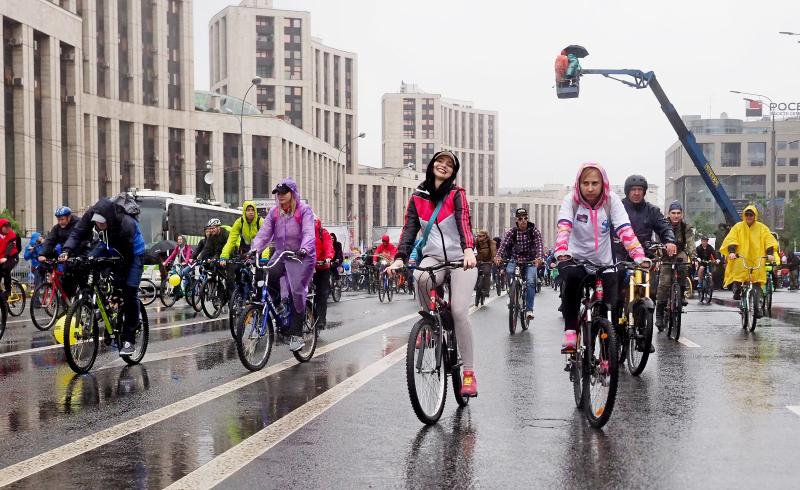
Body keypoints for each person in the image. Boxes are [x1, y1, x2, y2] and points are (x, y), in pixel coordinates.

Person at [389, 150, 479, 397]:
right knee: (420, 277)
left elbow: (464, 223)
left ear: (453, 171)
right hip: (435, 257)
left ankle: (469, 373)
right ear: (431, 165)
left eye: (449, 164)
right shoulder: (417, 196)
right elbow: (409, 230)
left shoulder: (456, 194)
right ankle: (430, 323)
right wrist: (399, 258)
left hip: (462, 259)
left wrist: (469, 250)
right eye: (440, 161)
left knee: (460, 311)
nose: (443, 166)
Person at [555, 163, 649, 351]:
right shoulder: (571, 201)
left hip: (604, 262)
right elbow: (564, 226)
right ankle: (571, 331)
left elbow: (625, 229)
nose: (590, 188)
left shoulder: (611, 200)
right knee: (572, 284)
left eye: (595, 183)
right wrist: (562, 250)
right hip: (575, 259)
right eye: (585, 183)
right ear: (579, 184)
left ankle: (608, 348)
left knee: (611, 305)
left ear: (603, 184)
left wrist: (639, 256)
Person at [60, 197, 146, 356]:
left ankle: (129, 339)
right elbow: (78, 232)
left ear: (110, 219)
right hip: (108, 245)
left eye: (102, 222)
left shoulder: (126, 225)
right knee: (85, 262)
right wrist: (67, 251)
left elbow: (124, 260)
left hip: (132, 254)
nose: (98, 224)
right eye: (96, 222)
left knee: (128, 291)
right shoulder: (93, 214)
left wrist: (118, 282)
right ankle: (99, 302)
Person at [251, 178, 316, 352]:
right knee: (269, 274)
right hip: (282, 254)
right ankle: (279, 306)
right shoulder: (274, 213)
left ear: (292, 193)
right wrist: (254, 249)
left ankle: (297, 335)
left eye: (284, 193)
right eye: (278, 193)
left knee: (296, 291)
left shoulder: (304, 211)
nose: (280, 196)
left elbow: (309, 232)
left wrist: (304, 248)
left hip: (302, 256)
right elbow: (264, 234)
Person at [721, 205, 778, 311]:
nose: (748, 217)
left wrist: (770, 253)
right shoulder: (738, 227)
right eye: (746, 214)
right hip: (741, 257)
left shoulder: (762, 228)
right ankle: (737, 289)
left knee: (756, 282)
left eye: (751, 215)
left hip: (757, 258)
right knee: (739, 275)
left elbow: (769, 241)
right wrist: (732, 252)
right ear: (744, 215)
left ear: (755, 215)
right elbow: (732, 239)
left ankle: (757, 308)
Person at [494, 208, 543, 321]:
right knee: (509, 271)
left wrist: (539, 257)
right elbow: (503, 245)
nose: (523, 221)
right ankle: (512, 294)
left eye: (525, 218)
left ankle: (529, 310)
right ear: (517, 220)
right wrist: (498, 256)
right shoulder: (512, 232)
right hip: (515, 260)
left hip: (530, 261)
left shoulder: (534, 231)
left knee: (531, 282)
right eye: (520, 218)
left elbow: (539, 245)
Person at [655, 201, 693, 330]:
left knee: (683, 265)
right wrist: (660, 254)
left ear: (682, 214)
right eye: (673, 213)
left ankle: (681, 294)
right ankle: (659, 313)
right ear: (669, 214)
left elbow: (690, 242)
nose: (676, 216)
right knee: (664, 282)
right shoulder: (662, 224)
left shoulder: (685, 227)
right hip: (665, 254)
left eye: (678, 213)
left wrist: (693, 256)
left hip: (679, 252)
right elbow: (658, 241)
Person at [219, 201, 264, 294]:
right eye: (248, 210)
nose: (250, 212)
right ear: (244, 211)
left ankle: (259, 297)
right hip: (245, 249)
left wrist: (265, 257)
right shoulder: (239, 222)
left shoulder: (261, 221)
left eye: (252, 210)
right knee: (239, 271)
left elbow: (266, 240)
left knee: (260, 275)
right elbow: (231, 241)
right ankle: (243, 293)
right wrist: (224, 256)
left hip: (260, 249)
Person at [39, 206, 84, 295]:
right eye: (58, 220)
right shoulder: (57, 228)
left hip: (79, 251)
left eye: (62, 219)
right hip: (65, 253)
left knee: (76, 275)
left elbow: (78, 240)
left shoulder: (78, 224)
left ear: (69, 217)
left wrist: (69, 253)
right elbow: (50, 241)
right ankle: (66, 299)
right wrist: (43, 254)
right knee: (46, 266)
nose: (60, 222)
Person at [312, 216, 334, 329]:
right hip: (308, 268)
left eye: (314, 221)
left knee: (322, 294)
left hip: (322, 267)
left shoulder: (323, 232)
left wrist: (328, 257)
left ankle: (321, 319)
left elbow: (328, 246)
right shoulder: (304, 232)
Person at [0, 219, 21, 300]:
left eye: (9, 227)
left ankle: (8, 291)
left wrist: (5, 257)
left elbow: (10, 246)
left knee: (6, 269)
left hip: (12, 256)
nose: (8, 229)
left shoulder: (12, 234)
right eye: (5, 227)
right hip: (1, 257)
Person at [474, 230, 496, 298]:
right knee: (474, 272)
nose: (479, 237)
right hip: (478, 260)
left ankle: (487, 291)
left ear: (485, 236)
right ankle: (476, 286)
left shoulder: (491, 242)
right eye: (478, 236)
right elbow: (471, 249)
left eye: (481, 236)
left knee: (486, 273)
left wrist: (492, 260)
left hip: (487, 261)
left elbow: (493, 251)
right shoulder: (476, 241)